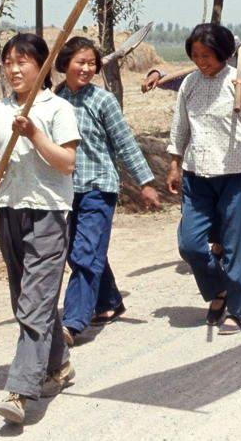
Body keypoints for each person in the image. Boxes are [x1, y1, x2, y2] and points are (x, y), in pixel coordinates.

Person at [0, 33, 80, 425]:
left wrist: (34, 133)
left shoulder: (58, 109)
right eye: (8, 62)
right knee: (27, 299)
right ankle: (59, 366)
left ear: (43, 67)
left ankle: (20, 391)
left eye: (23, 62)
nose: (14, 69)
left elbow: (66, 162)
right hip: (9, 214)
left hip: (48, 215)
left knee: (34, 303)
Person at [54, 37, 161, 349]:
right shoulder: (53, 100)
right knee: (82, 252)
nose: (87, 68)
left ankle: (72, 323)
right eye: (80, 62)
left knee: (84, 253)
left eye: (92, 63)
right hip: (64, 189)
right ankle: (109, 301)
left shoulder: (103, 101)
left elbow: (125, 144)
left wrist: (144, 183)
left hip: (99, 187)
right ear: (64, 65)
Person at [167, 23, 241, 335]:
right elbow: (180, 127)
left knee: (236, 248)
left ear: (223, 53)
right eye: (195, 55)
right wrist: (174, 163)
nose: (201, 61)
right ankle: (219, 291)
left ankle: (236, 311)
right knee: (191, 244)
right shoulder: (189, 85)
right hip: (197, 176)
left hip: (236, 176)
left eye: (207, 55)